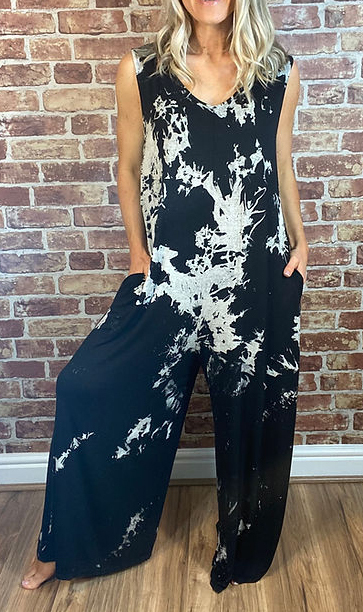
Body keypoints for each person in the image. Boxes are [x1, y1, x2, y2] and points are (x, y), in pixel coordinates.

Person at [21, 0, 308, 593]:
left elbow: (280, 163)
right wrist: (137, 254)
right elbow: (127, 168)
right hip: (169, 279)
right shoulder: (143, 71)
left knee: (253, 420)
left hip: (256, 278)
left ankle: (243, 550)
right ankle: (65, 544)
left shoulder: (279, 72)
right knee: (85, 386)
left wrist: (300, 239)